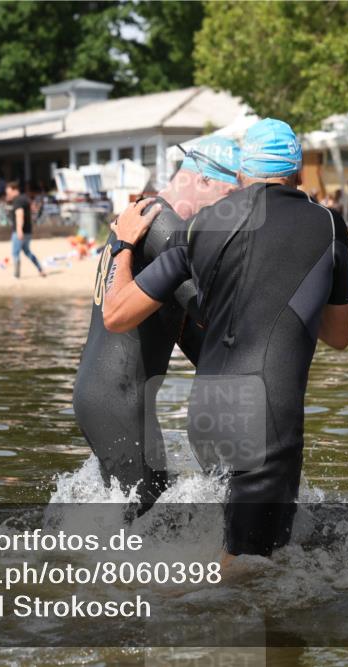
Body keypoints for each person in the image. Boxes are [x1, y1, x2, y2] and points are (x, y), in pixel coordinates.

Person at [102, 119, 348, 561]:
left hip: (209, 416)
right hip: (267, 418)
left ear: (241, 175)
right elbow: (339, 335)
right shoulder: (327, 224)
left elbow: (117, 315)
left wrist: (124, 245)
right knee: (249, 575)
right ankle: (150, 602)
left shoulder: (201, 225)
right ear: (298, 174)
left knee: (232, 549)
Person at [73, 136, 242, 512]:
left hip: (110, 392)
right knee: (141, 521)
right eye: (231, 194)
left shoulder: (144, 214)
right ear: (202, 181)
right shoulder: (163, 225)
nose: (233, 207)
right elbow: (205, 311)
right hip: (117, 396)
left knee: (150, 510)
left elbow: (176, 321)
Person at [6, 181, 45, 279]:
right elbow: (33, 209)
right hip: (28, 231)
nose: (8, 194)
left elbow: (20, 214)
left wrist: (19, 230)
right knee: (27, 252)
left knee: (15, 253)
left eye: (9, 192)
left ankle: (16, 275)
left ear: (15, 190)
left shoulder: (18, 201)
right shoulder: (25, 198)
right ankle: (40, 269)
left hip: (20, 231)